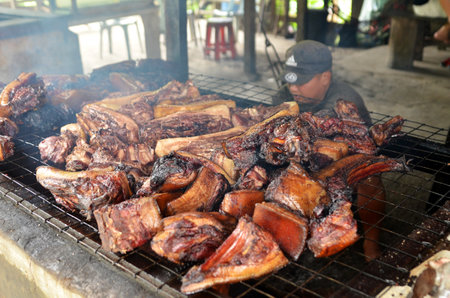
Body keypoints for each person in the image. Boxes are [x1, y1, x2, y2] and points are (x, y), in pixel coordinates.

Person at [274, 40, 385, 261]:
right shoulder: (284, 95)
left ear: (325, 77)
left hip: (348, 162)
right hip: (304, 161)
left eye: (302, 82)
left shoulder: (346, 100)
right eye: (291, 81)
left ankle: (371, 244)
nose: (294, 88)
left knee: (370, 179)